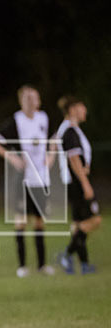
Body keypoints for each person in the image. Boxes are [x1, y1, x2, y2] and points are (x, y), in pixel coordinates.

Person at [0, 85, 55, 277]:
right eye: (29, 98)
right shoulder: (16, 121)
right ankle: (22, 266)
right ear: (22, 100)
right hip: (22, 179)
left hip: (40, 178)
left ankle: (42, 265)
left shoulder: (44, 118)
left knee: (40, 221)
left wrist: (50, 157)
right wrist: (11, 157)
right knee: (21, 220)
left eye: (35, 97)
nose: (33, 101)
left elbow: (53, 141)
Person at [55, 96, 101, 274]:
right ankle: (66, 254)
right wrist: (85, 183)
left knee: (78, 223)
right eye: (82, 107)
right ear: (73, 109)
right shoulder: (70, 131)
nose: (85, 111)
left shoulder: (70, 129)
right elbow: (74, 159)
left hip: (72, 181)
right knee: (94, 220)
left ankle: (83, 264)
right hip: (76, 182)